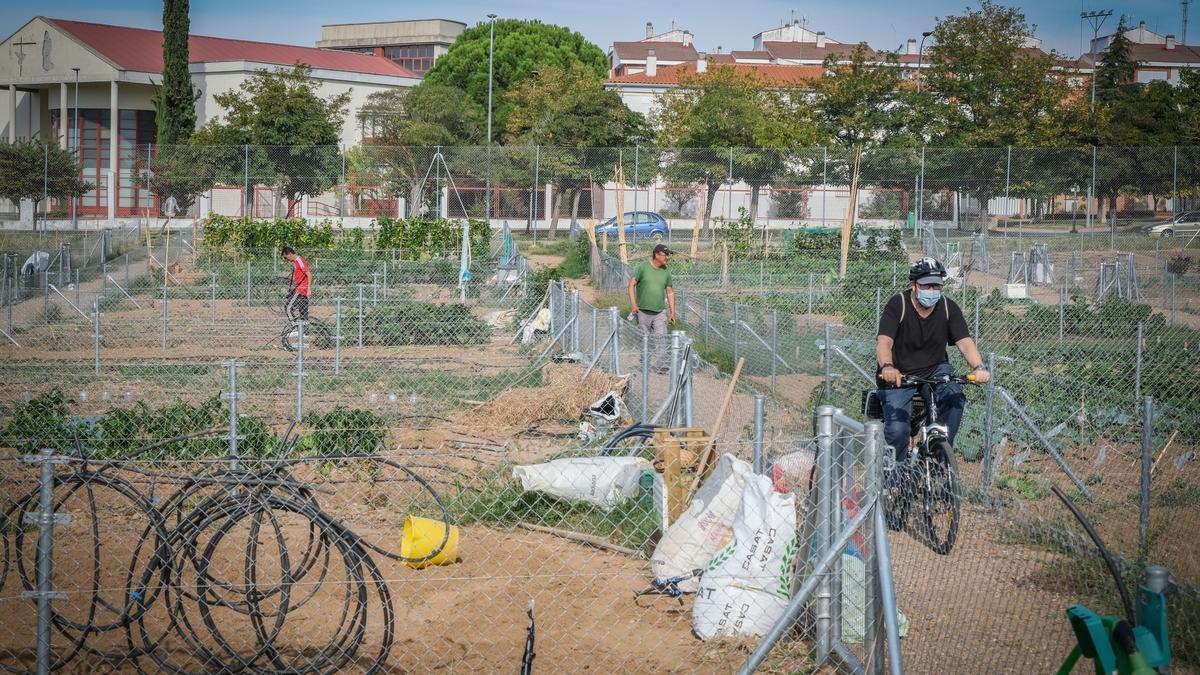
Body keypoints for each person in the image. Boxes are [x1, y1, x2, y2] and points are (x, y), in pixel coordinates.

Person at [875, 257, 990, 463]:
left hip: (935, 369)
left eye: (936, 285)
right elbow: (884, 342)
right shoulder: (898, 305)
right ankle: (895, 478)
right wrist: (887, 366)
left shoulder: (947, 307)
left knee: (954, 398)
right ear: (913, 285)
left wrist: (979, 367)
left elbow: (965, 342)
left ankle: (938, 456)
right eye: (927, 285)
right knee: (898, 431)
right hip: (899, 374)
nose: (932, 289)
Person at [628, 243, 676, 373]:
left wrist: (672, 312)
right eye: (665, 254)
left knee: (662, 338)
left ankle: (660, 366)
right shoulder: (643, 267)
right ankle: (645, 365)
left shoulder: (666, 271)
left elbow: (670, 292)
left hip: (660, 312)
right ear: (656, 255)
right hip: (642, 311)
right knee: (645, 339)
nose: (667, 257)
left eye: (668, 255)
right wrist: (633, 304)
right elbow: (631, 285)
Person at [280, 245, 310, 322]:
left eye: (285, 257)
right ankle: (303, 331)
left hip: (301, 289)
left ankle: (295, 327)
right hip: (300, 289)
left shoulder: (300, 261)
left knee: (288, 308)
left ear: (289, 254)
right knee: (303, 312)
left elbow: (309, 274)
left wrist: (308, 288)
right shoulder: (296, 261)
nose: (286, 259)